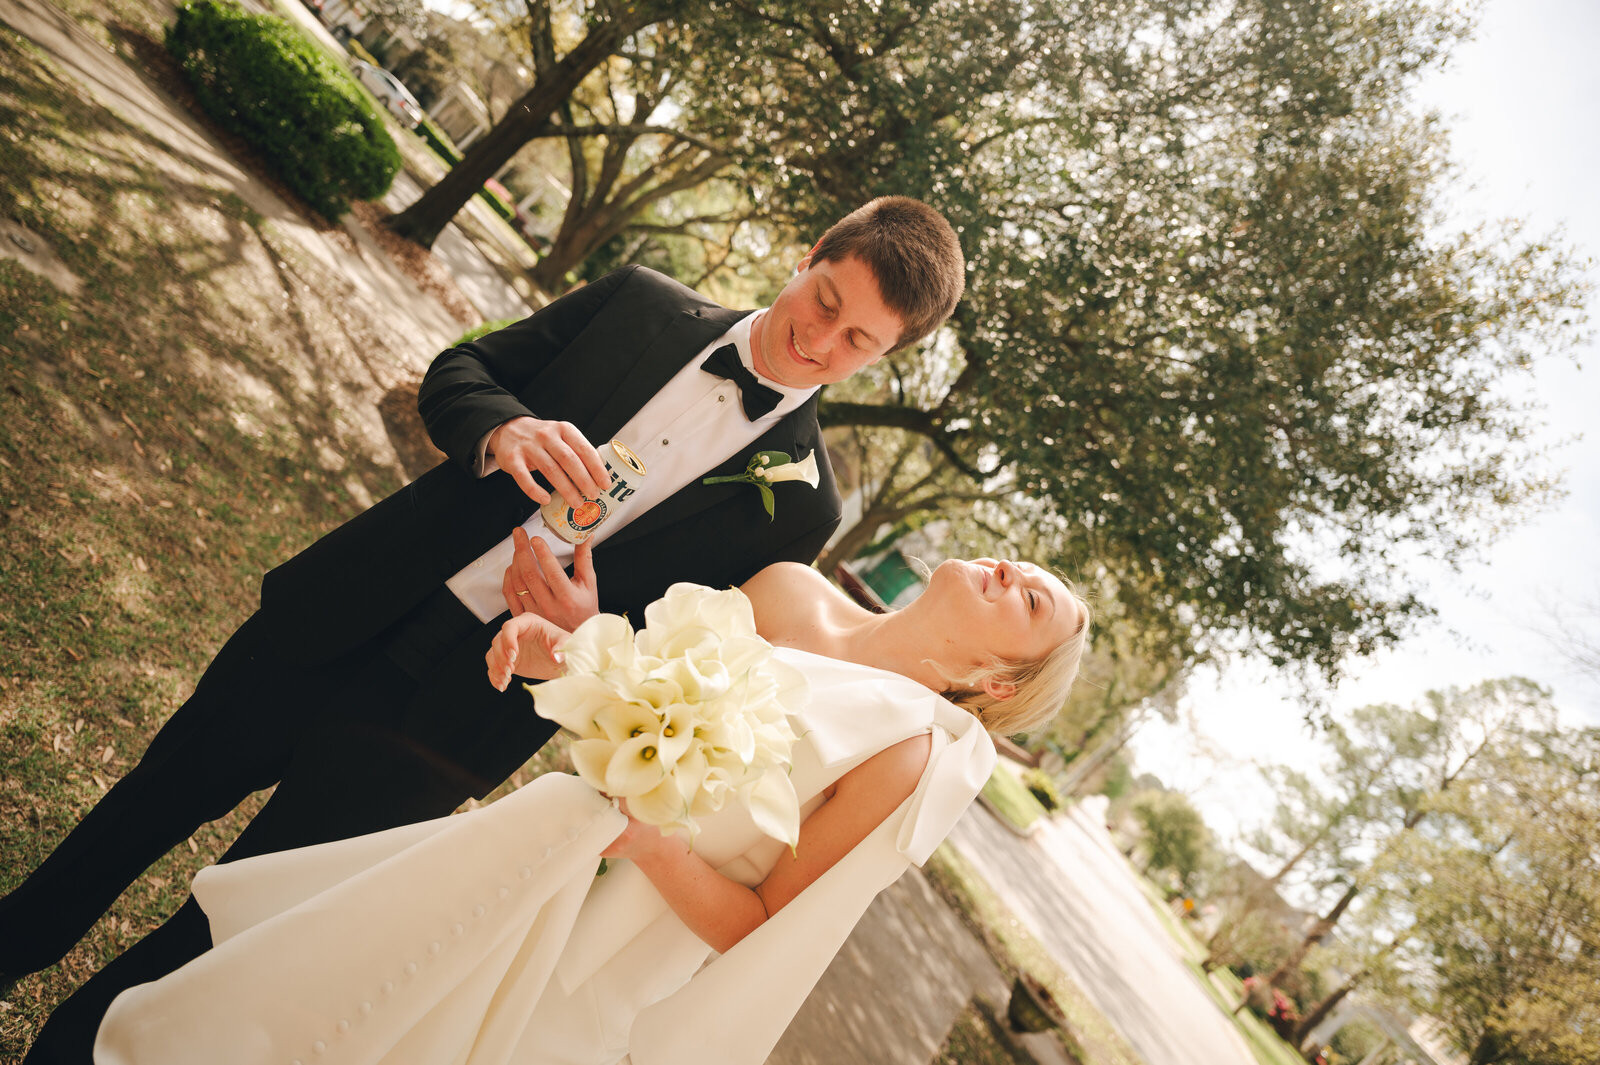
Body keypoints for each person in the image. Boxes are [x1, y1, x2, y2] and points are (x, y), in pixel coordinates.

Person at [1, 197, 967, 1063]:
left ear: (888, 355)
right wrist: (502, 430)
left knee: (238, 922)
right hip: (352, 603)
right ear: (806, 256)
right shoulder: (638, 300)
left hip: (458, 720)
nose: (821, 341)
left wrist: (594, 633)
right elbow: (457, 372)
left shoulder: (802, 513)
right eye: (827, 299)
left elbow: (680, 666)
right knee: (148, 804)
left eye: (859, 341)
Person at [93, 556, 1092, 1064]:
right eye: (1018, 566)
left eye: (1031, 604)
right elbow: (638, 690)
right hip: (528, 849)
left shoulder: (909, 753)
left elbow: (759, 926)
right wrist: (564, 656)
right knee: (333, 992)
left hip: (608, 951)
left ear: (999, 685)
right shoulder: (786, 593)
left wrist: (648, 842)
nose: (1012, 573)